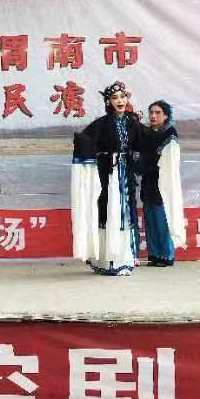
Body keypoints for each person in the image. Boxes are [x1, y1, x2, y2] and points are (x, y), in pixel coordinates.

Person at [71, 81, 146, 276]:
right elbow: (85, 139)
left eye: (122, 97)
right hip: (109, 174)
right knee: (108, 210)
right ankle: (107, 259)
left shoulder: (132, 122)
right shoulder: (102, 123)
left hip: (126, 174)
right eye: (114, 98)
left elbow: (143, 142)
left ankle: (125, 257)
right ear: (108, 102)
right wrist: (98, 154)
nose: (119, 101)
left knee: (126, 211)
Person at [139, 100, 186, 266]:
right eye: (151, 112)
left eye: (158, 112)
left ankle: (167, 255)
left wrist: (150, 164)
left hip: (163, 183)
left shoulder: (169, 134)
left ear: (166, 115)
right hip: (148, 181)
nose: (153, 116)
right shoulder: (146, 133)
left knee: (163, 219)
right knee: (150, 218)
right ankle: (154, 254)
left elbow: (169, 162)